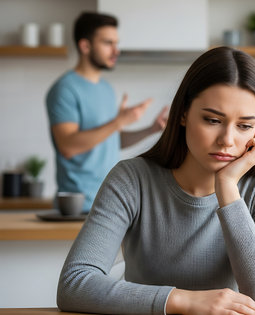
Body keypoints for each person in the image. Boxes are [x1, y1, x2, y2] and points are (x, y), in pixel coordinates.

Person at [57, 46, 255, 315]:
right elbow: (74, 284)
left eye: (244, 126)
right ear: (182, 114)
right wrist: (185, 301)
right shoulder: (131, 180)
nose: (227, 140)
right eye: (213, 119)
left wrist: (227, 189)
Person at [46, 12, 168, 211]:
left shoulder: (106, 89)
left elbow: (111, 140)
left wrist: (150, 129)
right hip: (78, 207)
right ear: (85, 46)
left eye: (116, 43)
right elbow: (68, 146)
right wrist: (119, 121)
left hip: (109, 201)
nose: (116, 50)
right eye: (108, 43)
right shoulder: (65, 89)